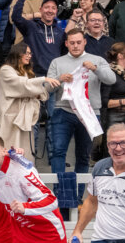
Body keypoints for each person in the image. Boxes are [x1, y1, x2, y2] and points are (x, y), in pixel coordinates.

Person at [46, 30, 115, 192]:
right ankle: (60, 192)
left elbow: (111, 79)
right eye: (72, 43)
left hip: (89, 113)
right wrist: (59, 79)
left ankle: (78, 196)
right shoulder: (57, 62)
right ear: (66, 44)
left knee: (83, 156)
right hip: (63, 111)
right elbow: (46, 88)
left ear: (85, 42)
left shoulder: (97, 60)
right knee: (58, 152)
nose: (75, 46)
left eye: (78, 42)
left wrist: (95, 69)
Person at [0, 43, 60, 157]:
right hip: (11, 121)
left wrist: (34, 90)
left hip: (26, 119)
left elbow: (41, 92)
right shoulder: (6, 70)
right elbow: (23, 85)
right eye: (26, 53)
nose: (29, 56)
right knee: (10, 153)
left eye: (30, 53)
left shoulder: (27, 73)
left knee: (25, 154)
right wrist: (44, 79)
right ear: (17, 53)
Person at [11, 0, 64, 76]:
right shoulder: (31, 27)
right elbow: (16, 18)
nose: (50, 11)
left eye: (53, 8)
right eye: (46, 7)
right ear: (40, 10)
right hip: (36, 75)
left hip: (56, 75)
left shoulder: (60, 31)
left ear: (56, 12)